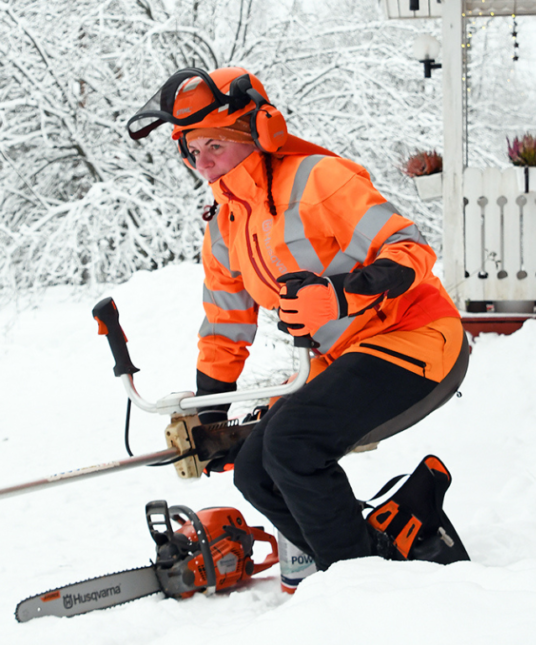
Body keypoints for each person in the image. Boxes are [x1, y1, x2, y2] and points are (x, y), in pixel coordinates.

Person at [127, 67, 469, 573]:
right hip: (348, 359)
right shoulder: (224, 228)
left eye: (213, 146)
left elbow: (411, 249)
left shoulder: (319, 181)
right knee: (253, 473)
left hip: (416, 334)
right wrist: (212, 418)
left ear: (257, 131)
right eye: (190, 151)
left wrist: (341, 295)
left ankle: (363, 583)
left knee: (292, 443)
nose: (203, 164)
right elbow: (225, 328)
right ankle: (379, 549)